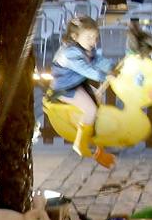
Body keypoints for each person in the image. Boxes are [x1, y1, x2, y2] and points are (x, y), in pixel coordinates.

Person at [49, 15, 117, 167]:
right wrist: (104, 75)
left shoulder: (86, 48)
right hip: (64, 88)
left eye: (95, 37)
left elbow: (97, 61)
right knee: (90, 109)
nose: (93, 41)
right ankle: (79, 142)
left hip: (76, 83)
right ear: (75, 36)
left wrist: (111, 67)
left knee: (98, 98)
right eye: (89, 38)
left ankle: (94, 134)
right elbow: (86, 69)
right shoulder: (69, 53)